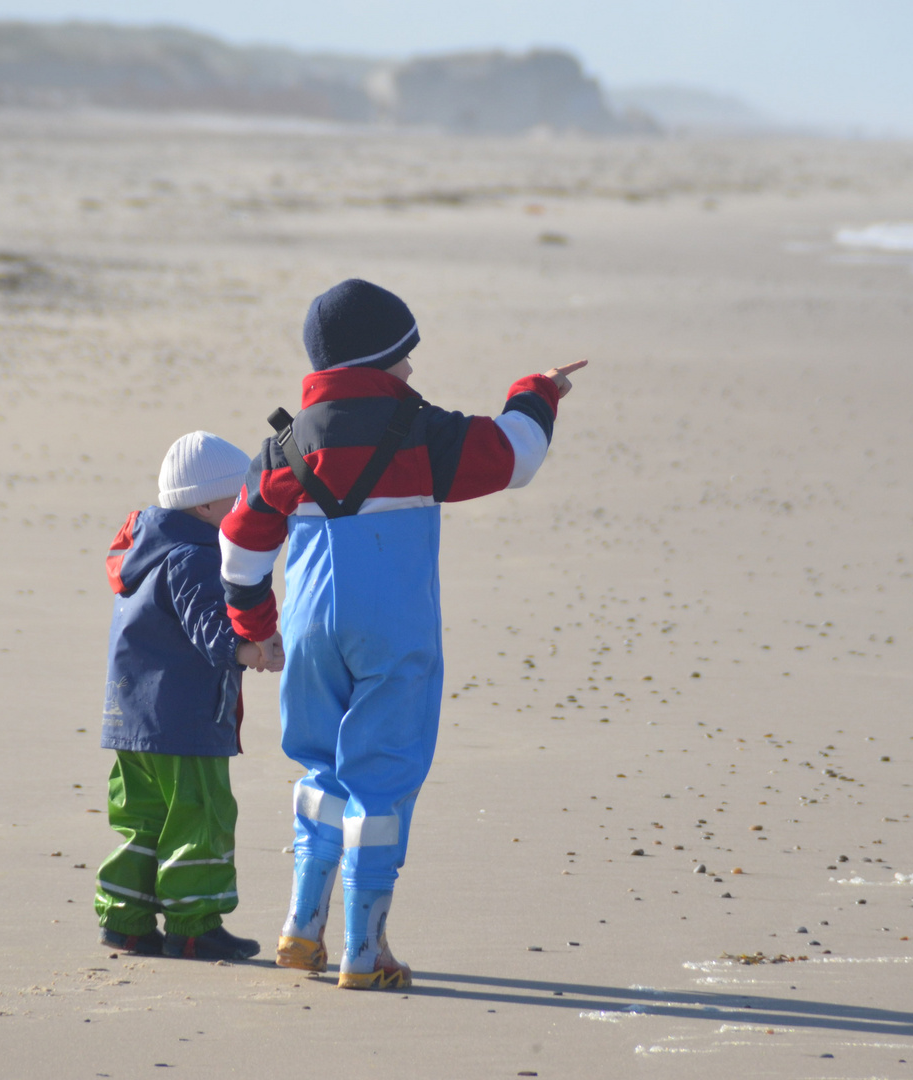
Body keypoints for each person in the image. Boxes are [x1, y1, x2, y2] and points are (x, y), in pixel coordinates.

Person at [219, 278, 586, 989]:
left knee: (321, 768)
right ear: (376, 362)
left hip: (310, 629)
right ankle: (364, 949)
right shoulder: (422, 433)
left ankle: (301, 925)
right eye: (403, 359)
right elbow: (517, 455)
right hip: (393, 634)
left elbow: (240, 550)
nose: (412, 372)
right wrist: (537, 390)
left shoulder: (283, 449)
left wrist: (256, 628)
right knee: (382, 782)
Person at [94, 431, 284, 961]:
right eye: (237, 498)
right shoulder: (195, 556)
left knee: (141, 817)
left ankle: (125, 919)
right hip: (185, 720)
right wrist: (255, 652)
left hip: (131, 718)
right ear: (205, 506)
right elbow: (211, 630)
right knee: (200, 814)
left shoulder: (144, 552)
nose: (246, 506)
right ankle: (194, 923)